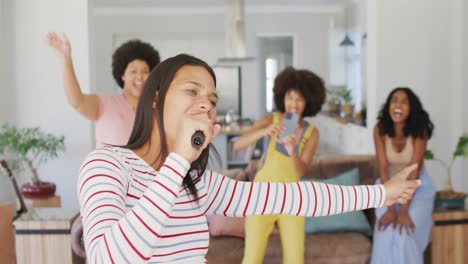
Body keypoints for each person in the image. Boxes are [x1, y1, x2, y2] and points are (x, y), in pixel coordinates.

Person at [78, 54, 421, 264]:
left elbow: (294, 196)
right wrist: (179, 160)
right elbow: (108, 258)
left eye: (211, 97)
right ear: (155, 99)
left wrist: (381, 194)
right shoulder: (106, 166)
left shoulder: (197, 183)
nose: (206, 103)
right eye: (192, 90)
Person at [233, 67, 325, 264]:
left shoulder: (312, 133)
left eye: (299, 98)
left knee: (295, 259)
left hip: (292, 199)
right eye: (289, 97)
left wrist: (293, 151)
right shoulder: (270, 120)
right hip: (262, 196)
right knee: (251, 259)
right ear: (282, 97)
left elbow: (300, 171)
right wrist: (264, 131)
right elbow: (238, 145)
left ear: (308, 101)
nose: (293, 103)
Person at [47, 32, 160, 147]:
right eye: (133, 71)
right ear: (123, 75)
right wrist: (66, 60)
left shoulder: (157, 108)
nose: (140, 77)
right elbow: (77, 101)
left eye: (145, 72)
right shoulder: (105, 103)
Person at [370, 87, 436, 264]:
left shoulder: (419, 131)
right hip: (387, 186)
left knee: (404, 234)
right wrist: (391, 209)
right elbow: (383, 168)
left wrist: (404, 211)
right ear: (389, 106)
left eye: (404, 101)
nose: (398, 105)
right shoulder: (380, 129)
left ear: (411, 108)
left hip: (417, 189)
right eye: (394, 100)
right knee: (385, 233)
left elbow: (414, 170)